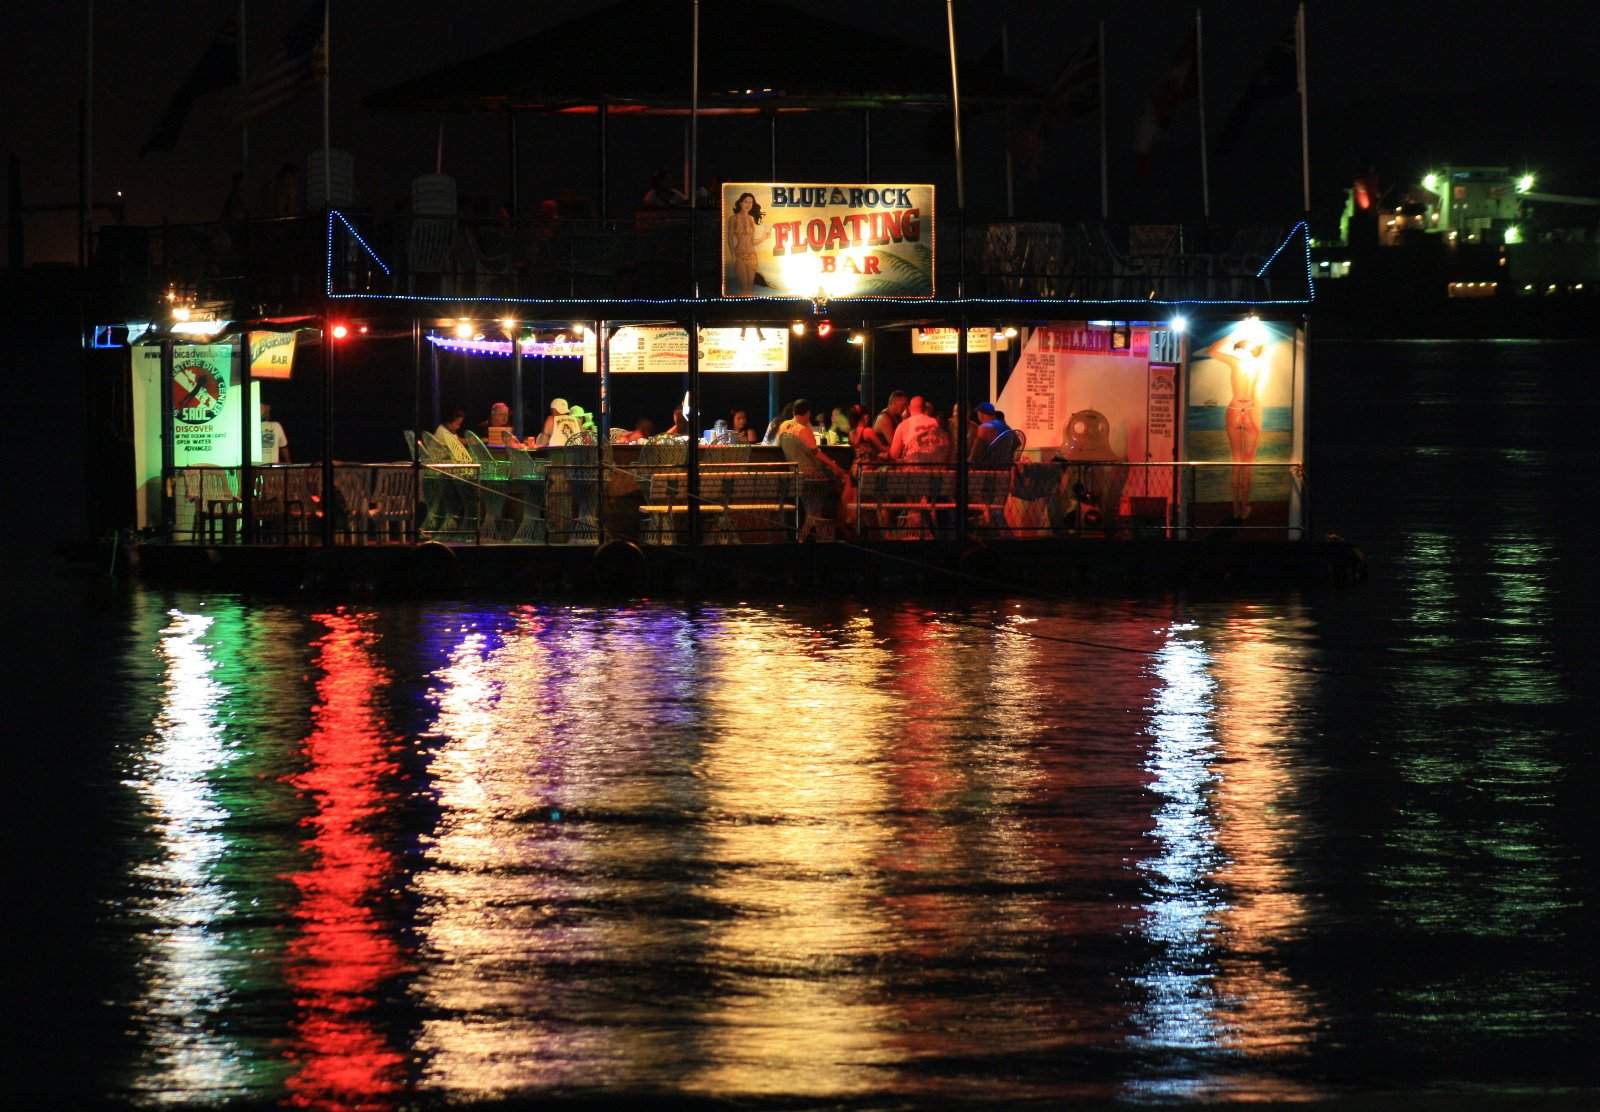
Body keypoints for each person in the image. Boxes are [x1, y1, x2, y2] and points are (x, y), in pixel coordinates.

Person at [1206, 332, 1267, 519]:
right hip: (1249, 408)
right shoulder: (1256, 365)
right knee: (1247, 463)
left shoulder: (1235, 362)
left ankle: (1235, 509)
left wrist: (1232, 336)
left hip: (1234, 408)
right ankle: (1244, 508)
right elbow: (1255, 395)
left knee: (1236, 461)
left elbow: (1212, 350)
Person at [778, 398, 851, 518]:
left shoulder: (783, 426)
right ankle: (845, 517)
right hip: (811, 474)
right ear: (807, 413)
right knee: (846, 478)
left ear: (793, 412)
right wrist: (834, 465)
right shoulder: (803, 430)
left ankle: (822, 520)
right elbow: (817, 453)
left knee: (812, 513)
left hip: (795, 473)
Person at [726, 191, 770, 295]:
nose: (748, 205)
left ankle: (752, 309)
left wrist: (764, 237)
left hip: (752, 256)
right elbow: (730, 238)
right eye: (746, 202)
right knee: (744, 287)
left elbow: (752, 241)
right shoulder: (733, 218)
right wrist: (733, 255)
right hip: (739, 255)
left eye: (751, 202)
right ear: (740, 203)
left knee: (750, 287)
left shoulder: (751, 219)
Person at [889, 395, 950, 463]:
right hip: (938, 469)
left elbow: (894, 455)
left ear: (909, 409)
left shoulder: (903, 425)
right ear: (924, 409)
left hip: (914, 470)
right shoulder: (937, 423)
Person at [969, 401, 1019, 467]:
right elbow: (1018, 443)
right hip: (1005, 468)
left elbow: (975, 455)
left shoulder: (984, 428)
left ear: (981, 414)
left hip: (987, 469)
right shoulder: (1006, 427)